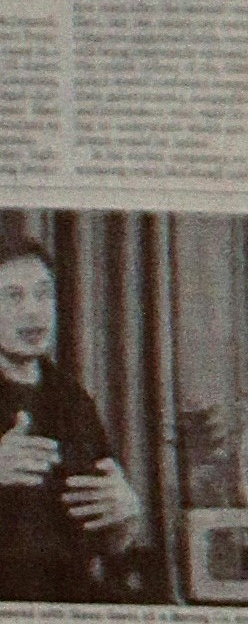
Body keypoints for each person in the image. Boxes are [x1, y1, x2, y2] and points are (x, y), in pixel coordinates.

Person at [0, 235, 151, 602]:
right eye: (12, 296)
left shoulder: (72, 400)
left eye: (43, 294)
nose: (34, 311)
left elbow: (109, 545)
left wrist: (126, 520)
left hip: (71, 602)